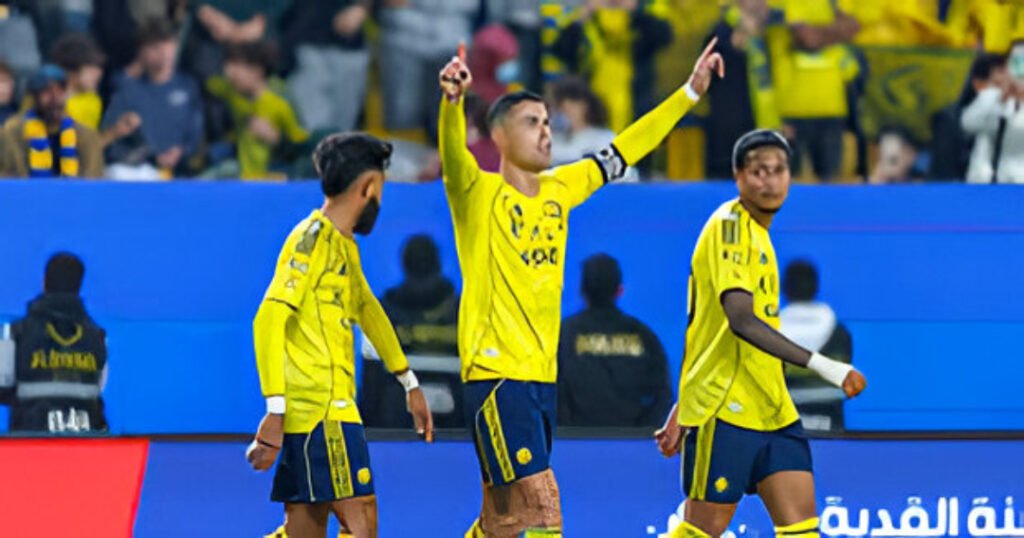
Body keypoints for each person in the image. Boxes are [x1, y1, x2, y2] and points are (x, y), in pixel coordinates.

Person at [438, 39, 724, 537]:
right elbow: (451, 152)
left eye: (548, 122)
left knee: (503, 521)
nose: (546, 131)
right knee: (545, 507)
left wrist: (689, 94)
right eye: (532, 122)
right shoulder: (477, 193)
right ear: (499, 136)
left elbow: (625, 148)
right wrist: (452, 102)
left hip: (540, 380)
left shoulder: (562, 188)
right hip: (495, 375)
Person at [654, 130, 867, 538]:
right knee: (703, 530)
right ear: (738, 176)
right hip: (725, 408)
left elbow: (708, 330)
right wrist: (827, 367)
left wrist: (683, 401)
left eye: (778, 170)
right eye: (758, 171)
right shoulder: (730, 227)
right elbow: (740, 320)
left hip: (773, 408)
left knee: (802, 529)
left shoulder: (760, 236)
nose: (769, 181)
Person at [246, 132, 434, 538]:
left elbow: (368, 310)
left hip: (332, 411)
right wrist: (276, 410)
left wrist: (408, 381)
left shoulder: (344, 247)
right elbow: (268, 319)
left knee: (305, 528)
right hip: (320, 412)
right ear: (369, 186)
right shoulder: (310, 239)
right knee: (361, 519)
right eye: (380, 188)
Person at [557, 253, 672, 428]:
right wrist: (641, 436)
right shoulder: (644, 337)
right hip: (636, 448)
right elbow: (663, 396)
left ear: (582, 291)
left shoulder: (563, 336)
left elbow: (552, 394)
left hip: (572, 446)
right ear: (620, 290)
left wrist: (568, 434)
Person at [361, 234, 463, 429]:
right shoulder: (382, 315)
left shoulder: (462, 312)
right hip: (393, 423)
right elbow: (371, 382)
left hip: (455, 423)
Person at [2, 253, 108, 433]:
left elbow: (2, 386)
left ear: (44, 282)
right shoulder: (97, 337)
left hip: (29, 442)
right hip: (86, 443)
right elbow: (99, 386)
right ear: (79, 285)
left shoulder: (16, 332)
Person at [103, 17, 204, 179]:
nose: (164, 52)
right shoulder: (127, 90)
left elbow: (197, 136)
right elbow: (111, 141)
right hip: (140, 174)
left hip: (184, 174)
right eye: (155, 46)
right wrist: (147, 156)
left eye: (168, 43)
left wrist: (182, 151)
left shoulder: (189, 87)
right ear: (141, 52)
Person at [205, 41, 309, 179]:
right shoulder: (231, 90)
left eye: (237, 66)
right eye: (228, 65)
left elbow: (303, 145)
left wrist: (276, 138)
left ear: (257, 71)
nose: (229, 72)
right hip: (242, 167)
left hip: (277, 168)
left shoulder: (280, 99)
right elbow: (207, 83)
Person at [779, 259, 852, 432]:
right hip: (832, 429)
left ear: (784, 287)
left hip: (782, 428)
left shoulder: (769, 334)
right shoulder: (841, 333)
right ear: (816, 287)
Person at [0, 64, 104, 178]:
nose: (55, 98)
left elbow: (93, 180)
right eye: (46, 92)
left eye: (60, 91)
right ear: (34, 97)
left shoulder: (86, 136)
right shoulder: (12, 132)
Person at [48, 33, 106, 131]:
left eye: (99, 68)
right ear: (72, 72)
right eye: (91, 70)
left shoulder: (93, 101)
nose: (98, 74)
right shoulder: (41, 95)